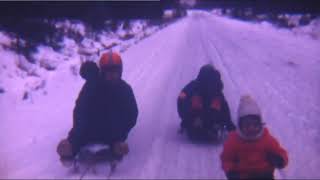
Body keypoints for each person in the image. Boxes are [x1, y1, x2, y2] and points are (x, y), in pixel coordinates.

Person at [57, 51, 138, 164]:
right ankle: (69, 149)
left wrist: (122, 132)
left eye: (114, 71)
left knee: (116, 136)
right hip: (89, 128)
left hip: (111, 130)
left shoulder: (124, 89)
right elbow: (80, 109)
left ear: (120, 71)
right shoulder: (92, 85)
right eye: (108, 71)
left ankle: (117, 147)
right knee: (78, 136)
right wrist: (76, 132)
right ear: (102, 71)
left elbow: (132, 114)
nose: (111, 75)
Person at [220, 95, 288, 179]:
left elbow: (281, 152)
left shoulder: (266, 139)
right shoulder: (233, 141)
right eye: (247, 125)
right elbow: (226, 159)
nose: (251, 128)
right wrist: (230, 172)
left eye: (255, 125)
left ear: (260, 124)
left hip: (265, 175)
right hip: (242, 176)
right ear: (240, 126)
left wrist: (280, 159)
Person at [177, 64, 236, 141]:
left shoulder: (196, 86)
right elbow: (225, 107)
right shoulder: (212, 89)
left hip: (200, 122)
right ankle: (211, 126)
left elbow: (181, 100)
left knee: (214, 101)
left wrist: (185, 120)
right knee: (214, 101)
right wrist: (229, 126)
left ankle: (209, 126)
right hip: (199, 120)